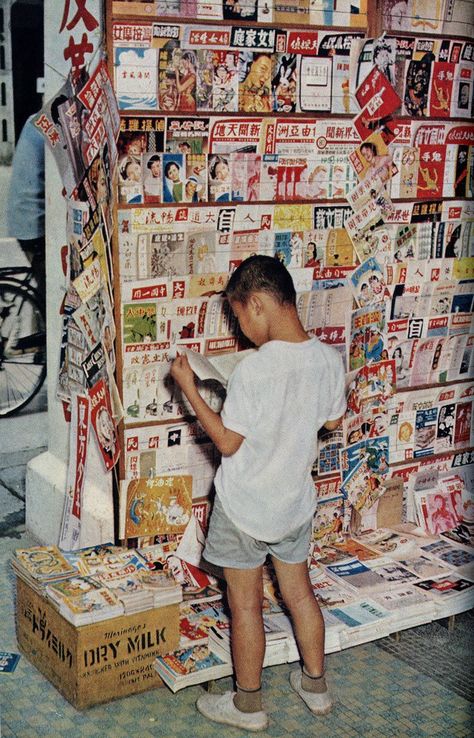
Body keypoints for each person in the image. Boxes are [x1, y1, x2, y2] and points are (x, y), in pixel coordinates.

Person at [170, 255, 346, 731]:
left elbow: (227, 442)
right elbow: (331, 422)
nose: (241, 328)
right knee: (301, 596)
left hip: (245, 505)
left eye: (240, 315)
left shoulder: (253, 371)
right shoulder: (330, 359)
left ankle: (248, 705)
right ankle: (316, 686)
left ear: (260, 304)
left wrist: (190, 387)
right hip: (294, 503)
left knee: (245, 606)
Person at [7, 114, 45, 305]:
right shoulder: (51, 125)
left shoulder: (35, 119)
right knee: (52, 291)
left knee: (42, 283)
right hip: (33, 221)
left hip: (23, 215)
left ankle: (40, 324)